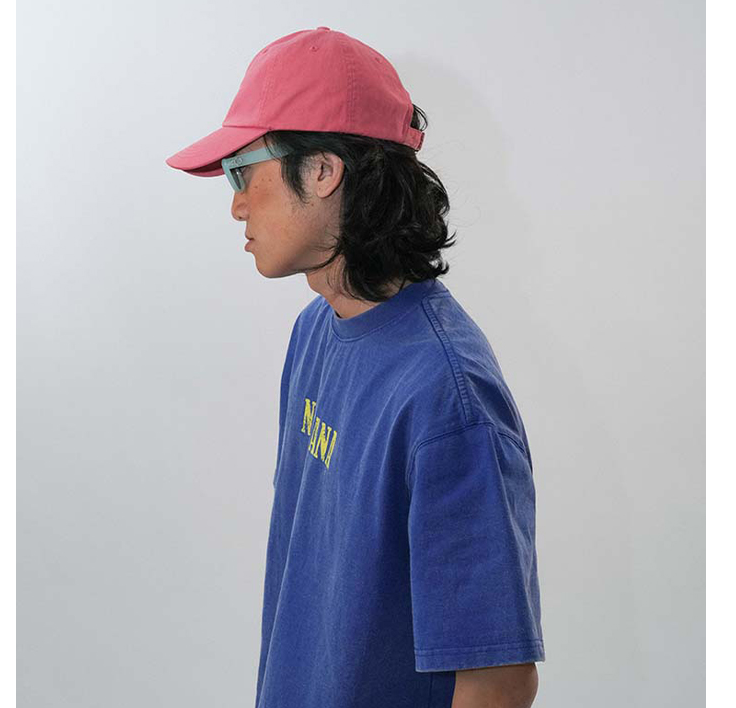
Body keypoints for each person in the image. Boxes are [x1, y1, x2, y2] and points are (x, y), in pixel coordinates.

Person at [166, 26, 545, 708]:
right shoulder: (316, 332)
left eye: (242, 172)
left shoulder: (446, 397)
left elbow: (499, 680)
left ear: (322, 170)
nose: (236, 203)